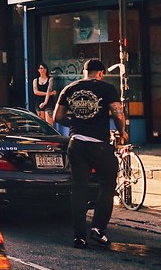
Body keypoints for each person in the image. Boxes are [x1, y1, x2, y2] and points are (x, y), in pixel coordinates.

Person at [54, 58, 127, 249]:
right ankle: (98, 229)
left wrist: (77, 125)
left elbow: (57, 116)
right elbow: (117, 113)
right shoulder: (107, 89)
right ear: (101, 73)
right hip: (99, 145)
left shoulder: (69, 89)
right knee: (107, 183)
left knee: (79, 189)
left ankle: (79, 236)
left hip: (76, 144)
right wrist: (122, 133)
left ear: (84, 72)